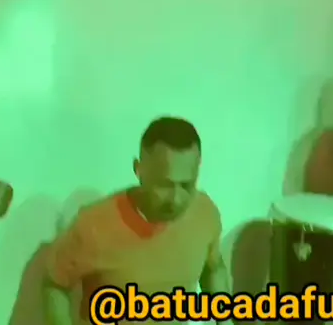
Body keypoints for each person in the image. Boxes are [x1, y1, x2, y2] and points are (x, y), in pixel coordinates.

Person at [42, 117, 229, 325]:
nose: (176, 199)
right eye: (164, 185)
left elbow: (214, 268)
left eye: (186, 185)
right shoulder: (94, 224)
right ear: (139, 170)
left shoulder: (205, 213)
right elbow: (55, 285)